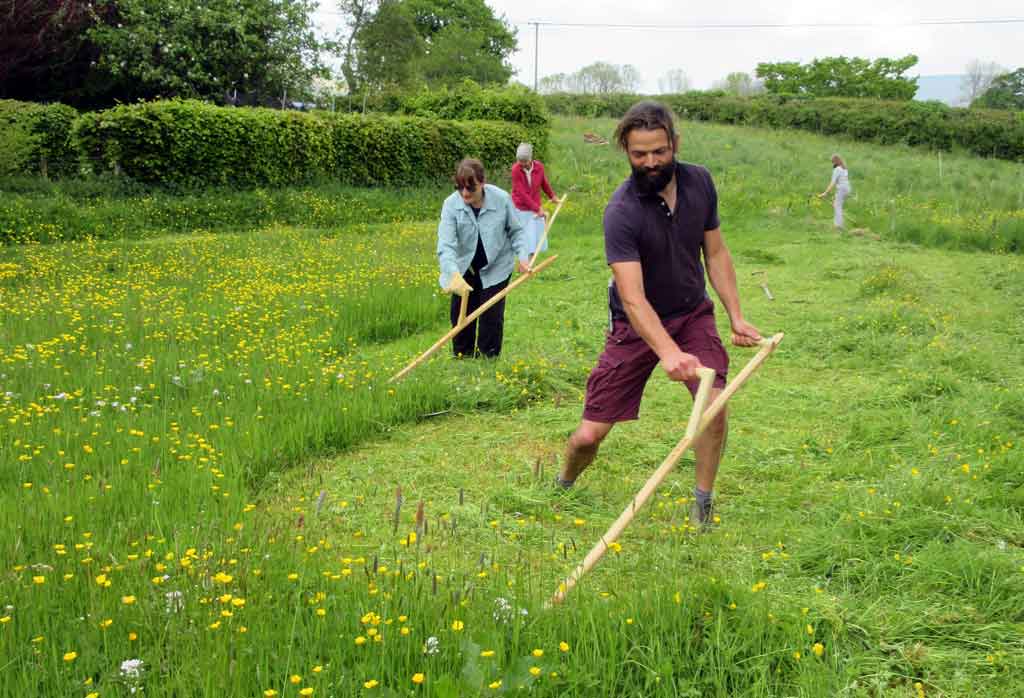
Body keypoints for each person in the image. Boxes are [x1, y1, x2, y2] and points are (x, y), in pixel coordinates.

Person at [558, 101, 761, 528]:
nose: (651, 163)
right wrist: (668, 352)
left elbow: (717, 253)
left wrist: (737, 316)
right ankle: (564, 483)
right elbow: (632, 299)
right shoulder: (621, 212)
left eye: (659, 152)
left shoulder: (700, 182)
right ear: (627, 153)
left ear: (674, 143)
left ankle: (703, 504)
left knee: (713, 404)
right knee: (589, 435)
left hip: (692, 313)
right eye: (639, 154)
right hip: (635, 327)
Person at [436, 158, 531, 358]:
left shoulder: (501, 199)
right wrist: (453, 274)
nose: (465, 193)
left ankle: (488, 361)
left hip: (496, 267)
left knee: (491, 316)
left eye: (471, 188)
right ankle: (463, 358)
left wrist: (523, 257)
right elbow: (446, 245)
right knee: (460, 318)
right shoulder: (451, 205)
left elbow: (516, 231)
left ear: (483, 182)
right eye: (460, 187)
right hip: (463, 269)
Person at [510, 142, 560, 256]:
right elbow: (521, 193)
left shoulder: (539, 167)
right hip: (521, 209)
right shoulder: (515, 170)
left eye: (525, 161)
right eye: (520, 161)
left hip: (534, 206)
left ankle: (531, 264)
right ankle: (524, 264)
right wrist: (537, 209)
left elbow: (544, 183)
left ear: (531, 158)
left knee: (535, 240)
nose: (522, 164)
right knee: (525, 240)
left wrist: (552, 196)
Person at [818, 154, 852, 229]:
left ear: (835, 162)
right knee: (836, 204)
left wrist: (825, 193)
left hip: (842, 189)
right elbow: (842, 181)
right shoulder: (844, 168)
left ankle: (838, 226)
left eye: (832, 162)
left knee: (837, 206)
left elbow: (832, 183)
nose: (832, 164)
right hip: (847, 188)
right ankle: (839, 224)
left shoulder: (837, 169)